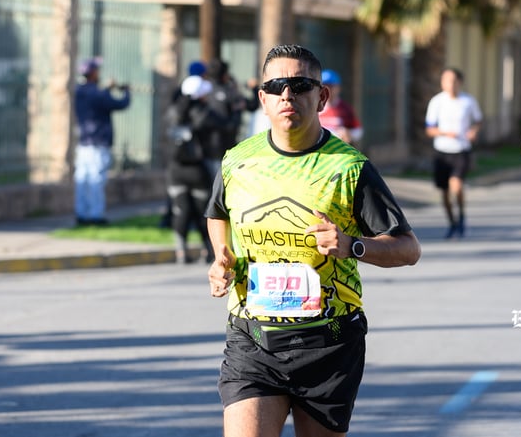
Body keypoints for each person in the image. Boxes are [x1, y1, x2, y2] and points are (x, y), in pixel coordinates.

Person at [205, 44, 421, 437]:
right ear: (263, 99)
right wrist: (222, 256)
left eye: (300, 84)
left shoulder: (350, 168)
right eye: (276, 86)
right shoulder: (237, 161)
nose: (287, 94)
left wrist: (352, 245)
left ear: (321, 97)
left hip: (329, 345)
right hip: (252, 340)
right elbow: (218, 212)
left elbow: (408, 248)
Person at [164, 75, 226, 263]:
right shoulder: (204, 112)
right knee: (203, 210)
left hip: (175, 170)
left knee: (181, 209)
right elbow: (225, 123)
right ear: (201, 95)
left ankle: (181, 252)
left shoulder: (173, 111)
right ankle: (207, 250)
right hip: (197, 170)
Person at [424, 68, 483, 238]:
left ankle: (462, 215)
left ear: (460, 82)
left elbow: (478, 121)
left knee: (456, 186)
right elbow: (429, 129)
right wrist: (444, 133)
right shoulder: (436, 102)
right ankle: (452, 222)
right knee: (444, 192)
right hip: (442, 151)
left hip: (461, 150)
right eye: (446, 80)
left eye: (453, 80)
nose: (449, 84)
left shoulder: (468, 101)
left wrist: (473, 131)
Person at [73, 57, 131, 226]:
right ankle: (96, 216)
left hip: (84, 143)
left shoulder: (80, 91)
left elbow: (98, 96)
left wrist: (106, 89)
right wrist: (125, 91)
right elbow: (121, 103)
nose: (99, 73)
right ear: (92, 73)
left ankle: (82, 214)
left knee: (82, 181)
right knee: (96, 181)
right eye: (97, 70)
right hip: (97, 143)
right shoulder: (96, 94)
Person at [204, 59, 258, 177]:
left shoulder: (203, 91)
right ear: (224, 74)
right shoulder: (229, 92)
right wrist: (254, 88)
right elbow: (253, 105)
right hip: (225, 150)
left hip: (203, 152)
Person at [319, 69, 364, 145]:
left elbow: (358, 131)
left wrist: (348, 133)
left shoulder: (345, 109)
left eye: (331, 86)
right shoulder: (314, 108)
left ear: (338, 88)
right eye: (324, 86)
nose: (327, 90)